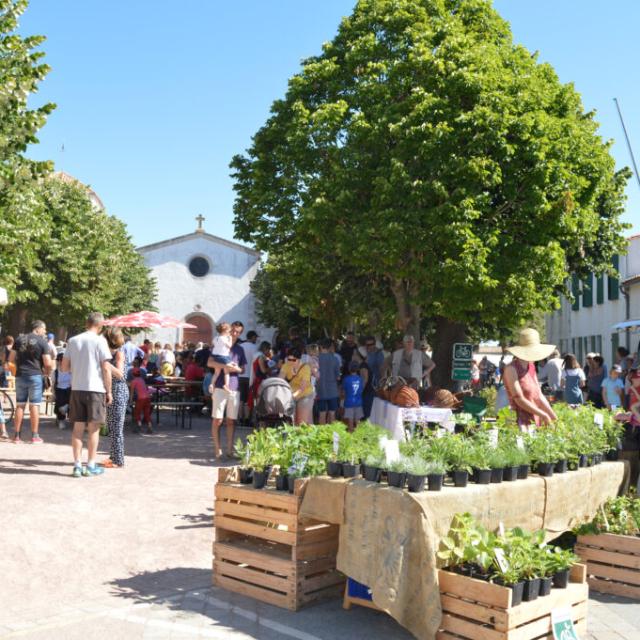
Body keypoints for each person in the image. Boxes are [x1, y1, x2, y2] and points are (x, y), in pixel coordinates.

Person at [61, 312, 112, 477]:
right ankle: (90, 465)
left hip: (77, 388)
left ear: (86, 323)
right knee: (94, 429)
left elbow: (64, 367)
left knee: (77, 428)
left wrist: (78, 369)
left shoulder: (73, 340)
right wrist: (109, 391)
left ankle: (77, 465)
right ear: (100, 325)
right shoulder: (100, 341)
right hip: (95, 389)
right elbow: (105, 368)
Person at [8, 320, 53, 443]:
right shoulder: (42, 342)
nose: (44, 332)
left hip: (20, 375)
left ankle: (16, 436)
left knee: (20, 405)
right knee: (35, 405)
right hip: (35, 376)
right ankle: (34, 436)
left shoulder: (18, 340)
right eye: (44, 330)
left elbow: (10, 360)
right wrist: (47, 373)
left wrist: (15, 372)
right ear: (38, 329)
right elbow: (48, 362)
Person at [503, 328, 557, 430]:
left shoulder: (531, 366)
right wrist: (543, 414)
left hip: (533, 420)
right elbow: (518, 399)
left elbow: (539, 395)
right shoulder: (511, 369)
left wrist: (552, 415)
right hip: (517, 422)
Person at [208, 321, 246, 459]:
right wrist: (224, 366)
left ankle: (230, 450)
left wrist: (236, 369)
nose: (235, 334)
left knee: (231, 420)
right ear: (229, 331)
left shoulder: (240, 349)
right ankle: (217, 449)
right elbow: (209, 362)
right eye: (233, 331)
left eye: (238, 332)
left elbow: (243, 369)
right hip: (219, 386)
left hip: (234, 387)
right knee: (217, 419)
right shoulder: (220, 343)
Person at [102, 327, 129, 465]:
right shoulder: (110, 353)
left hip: (118, 391)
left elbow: (120, 374)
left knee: (116, 428)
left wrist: (107, 365)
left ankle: (118, 460)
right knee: (112, 427)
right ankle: (113, 456)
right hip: (113, 390)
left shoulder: (119, 353)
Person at [279, 347, 314, 425]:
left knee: (302, 421)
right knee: (292, 420)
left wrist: (292, 396)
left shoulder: (305, 368)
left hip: (305, 395)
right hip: (292, 394)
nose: (290, 362)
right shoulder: (286, 366)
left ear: (299, 359)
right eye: (289, 359)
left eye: (293, 360)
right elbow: (280, 380)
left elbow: (302, 388)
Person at [316, 338, 341, 424]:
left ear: (320, 347)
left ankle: (322, 436)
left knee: (322, 414)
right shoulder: (335, 359)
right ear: (330, 347)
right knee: (332, 414)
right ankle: (332, 436)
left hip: (320, 390)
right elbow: (338, 377)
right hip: (333, 390)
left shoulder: (316, 359)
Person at [239, 330, 259, 424]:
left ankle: (240, 417)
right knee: (249, 398)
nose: (256, 339)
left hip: (240, 375)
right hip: (250, 376)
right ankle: (247, 418)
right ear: (253, 337)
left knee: (241, 398)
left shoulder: (240, 346)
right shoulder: (255, 347)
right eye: (255, 337)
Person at [209, 322, 234, 392]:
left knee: (216, 372)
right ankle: (226, 385)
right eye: (229, 331)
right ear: (225, 331)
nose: (229, 333)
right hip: (224, 357)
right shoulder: (224, 338)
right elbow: (230, 345)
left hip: (216, 356)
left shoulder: (216, 338)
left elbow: (213, 344)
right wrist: (230, 339)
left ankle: (212, 384)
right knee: (226, 372)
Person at [363, 337, 384, 418]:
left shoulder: (379, 354)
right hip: (365, 385)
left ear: (374, 344)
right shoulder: (365, 353)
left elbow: (382, 369)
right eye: (367, 345)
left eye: (371, 344)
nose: (369, 346)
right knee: (366, 408)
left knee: (371, 409)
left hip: (374, 386)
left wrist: (381, 385)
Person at [342, 360, 364, 431]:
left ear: (349, 368)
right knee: (358, 421)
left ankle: (350, 437)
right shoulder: (360, 379)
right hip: (358, 402)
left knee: (350, 422)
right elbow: (361, 389)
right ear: (358, 369)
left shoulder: (346, 379)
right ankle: (359, 437)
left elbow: (343, 391)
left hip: (348, 403)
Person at [129, 367, 152, 433]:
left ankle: (139, 426)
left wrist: (130, 400)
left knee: (137, 413)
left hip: (140, 398)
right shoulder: (142, 380)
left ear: (133, 374)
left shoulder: (133, 381)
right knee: (146, 413)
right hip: (147, 398)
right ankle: (150, 427)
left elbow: (132, 392)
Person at [53, 351, 72, 429]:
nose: (60, 362)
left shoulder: (72, 371)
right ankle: (61, 419)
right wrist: (53, 394)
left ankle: (66, 417)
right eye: (59, 360)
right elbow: (54, 383)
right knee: (60, 405)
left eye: (62, 360)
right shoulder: (55, 372)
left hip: (69, 390)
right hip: (59, 390)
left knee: (68, 404)